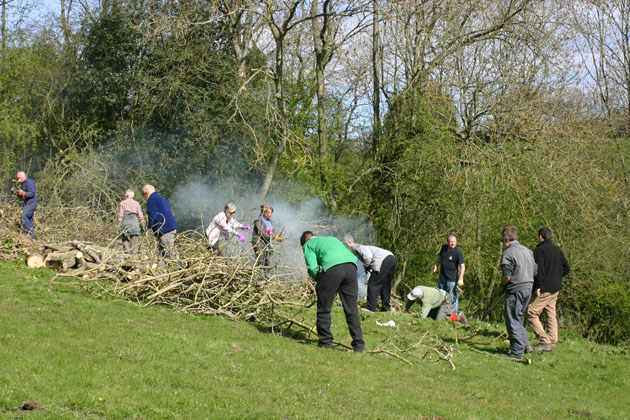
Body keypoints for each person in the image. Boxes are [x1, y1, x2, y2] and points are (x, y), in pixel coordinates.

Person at [300, 231, 364, 352]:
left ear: (304, 241)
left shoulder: (308, 245)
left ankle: (325, 343)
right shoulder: (331, 239)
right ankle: (359, 345)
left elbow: (312, 267)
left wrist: (319, 279)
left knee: (324, 307)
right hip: (351, 267)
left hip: (333, 269)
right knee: (351, 309)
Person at [527, 227, 570, 352]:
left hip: (544, 287)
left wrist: (538, 286)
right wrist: (556, 277)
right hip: (556, 288)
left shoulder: (540, 250)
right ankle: (552, 340)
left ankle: (544, 341)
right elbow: (567, 268)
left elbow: (539, 270)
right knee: (551, 313)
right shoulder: (557, 250)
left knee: (531, 312)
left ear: (540, 237)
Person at [500, 226, 537, 360]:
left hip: (516, 288)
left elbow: (507, 276)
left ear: (507, 239)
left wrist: (502, 285)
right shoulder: (528, 251)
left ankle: (517, 352)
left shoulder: (508, 253)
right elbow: (535, 270)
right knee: (518, 316)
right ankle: (526, 345)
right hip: (529, 286)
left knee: (512, 318)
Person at [343, 235, 396, 312]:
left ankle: (371, 308)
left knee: (372, 284)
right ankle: (386, 308)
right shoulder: (363, 248)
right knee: (385, 285)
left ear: (347, 243)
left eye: (345, 244)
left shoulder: (357, 247)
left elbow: (368, 257)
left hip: (382, 260)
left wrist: (366, 266)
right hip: (391, 258)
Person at [143, 184, 178, 259]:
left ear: (146, 193)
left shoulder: (152, 199)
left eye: (144, 195)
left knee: (169, 252)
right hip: (168, 228)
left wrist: (147, 228)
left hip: (165, 230)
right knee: (160, 252)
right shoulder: (160, 198)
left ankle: (178, 267)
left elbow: (152, 216)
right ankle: (161, 268)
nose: (145, 197)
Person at [433, 234, 465, 314]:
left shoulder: (458, 252)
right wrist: (436, 266)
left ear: (456, 242)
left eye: (454, 242)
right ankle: (442, 313)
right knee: (441, 296)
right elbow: (439, 258)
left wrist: (461, 278)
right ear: (448, 242)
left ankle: (453, 315)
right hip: (442, 277)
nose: (453, 243)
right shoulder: (444, 248)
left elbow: (462, 266)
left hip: (452, 280)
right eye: (451, 242)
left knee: (452, 297)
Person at [251, 205, 283, 272]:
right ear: (265, 213)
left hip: (268, 244)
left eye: (271, 213)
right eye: (270, 213)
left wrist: (275, 236)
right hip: (259, 243)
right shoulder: (258, 221)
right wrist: (273, 236)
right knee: (261, 260)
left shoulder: (269, 221)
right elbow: (261, 233)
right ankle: (258, 276)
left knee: (267, 260)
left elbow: (272, 230)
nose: (271, 215)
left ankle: (266, 276)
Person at [117, 189, 145, 254]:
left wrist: (119, 225)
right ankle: (134, 255)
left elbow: (120, 215)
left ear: (126, 195)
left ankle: (127, 252)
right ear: (132, 196)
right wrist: (142, 226)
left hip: (125, 222)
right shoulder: (137, 203)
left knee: (124, 238)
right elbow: (141, 216)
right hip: (134, 222)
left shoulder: (122, 203)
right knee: (135, 241)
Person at [14, 171, 37, 238]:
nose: (18, 180)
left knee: (24, 216)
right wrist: (17, 192)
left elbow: (32, 193)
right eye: (18, 178)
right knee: (29, 218)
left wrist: (23, 193)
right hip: (27, 202)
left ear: (24, 176)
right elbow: (22, 195)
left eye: (19, 178)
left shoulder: (29, 182)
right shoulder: (22, 183)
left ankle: (30, 233)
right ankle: (31, 235)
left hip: (32, 202)